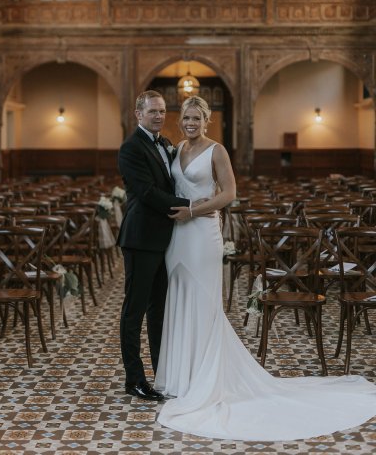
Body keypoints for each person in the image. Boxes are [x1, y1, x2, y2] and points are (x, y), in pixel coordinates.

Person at [154, 95, 376, 441]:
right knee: (178, 297)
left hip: (201, 232)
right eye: (186, 118)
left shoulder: (217, 151)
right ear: (179, 120)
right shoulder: (177, 148)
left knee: (203, 301)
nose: (191, 123)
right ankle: (181, 378)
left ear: (207, 120)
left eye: (197, 118)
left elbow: (229, 194)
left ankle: (206, 379)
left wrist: (194, 212)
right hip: (177, 236)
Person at [117, 90, 193, 401]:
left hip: (165, 239)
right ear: (138, 115)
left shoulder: (164, 144)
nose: (159, 116)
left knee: (159, 310)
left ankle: (162, 374)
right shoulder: (130, 148)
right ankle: (134, 379)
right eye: (152, 112)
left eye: (162, 111)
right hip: (140, 239)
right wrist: (190, 205)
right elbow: (147, 193)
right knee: (134, 311)